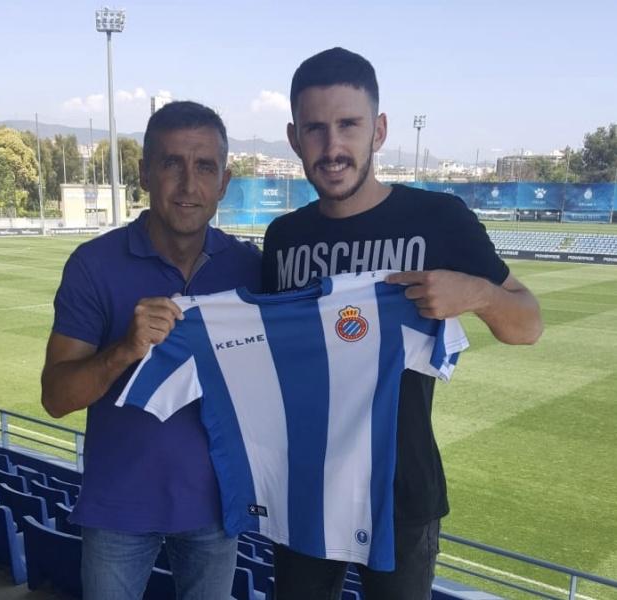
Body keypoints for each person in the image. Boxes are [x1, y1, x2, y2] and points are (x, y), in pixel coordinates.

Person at [261, 47, 543, 600]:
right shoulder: (283, 238)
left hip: (402, 492)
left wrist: (479, 294)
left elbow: (527, 324)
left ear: (380, 130)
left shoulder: (438, 219)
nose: (332, 146)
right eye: (315, 129)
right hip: (305, 490)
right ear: (294, 138)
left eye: (349, 125)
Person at [41, 100, 261, 600]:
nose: (188, 184)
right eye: (171, 163)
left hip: (216, 508)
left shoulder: (250, 269)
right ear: (144, 173)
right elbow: (55, 397)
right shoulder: (93, 265)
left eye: (204, 166)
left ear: (224, 182)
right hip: (117, 510)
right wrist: (125, 348)